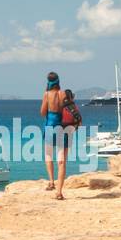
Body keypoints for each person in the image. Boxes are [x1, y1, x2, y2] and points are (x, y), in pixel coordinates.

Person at [40, 71, 67, 199]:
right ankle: (59, 192)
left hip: (50, 126)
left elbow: (42, 112)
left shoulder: (47, 94)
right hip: (63, 127)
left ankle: (51, 182)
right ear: (58, 81)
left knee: (48, 155)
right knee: (61, 160)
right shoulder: (64, 94)